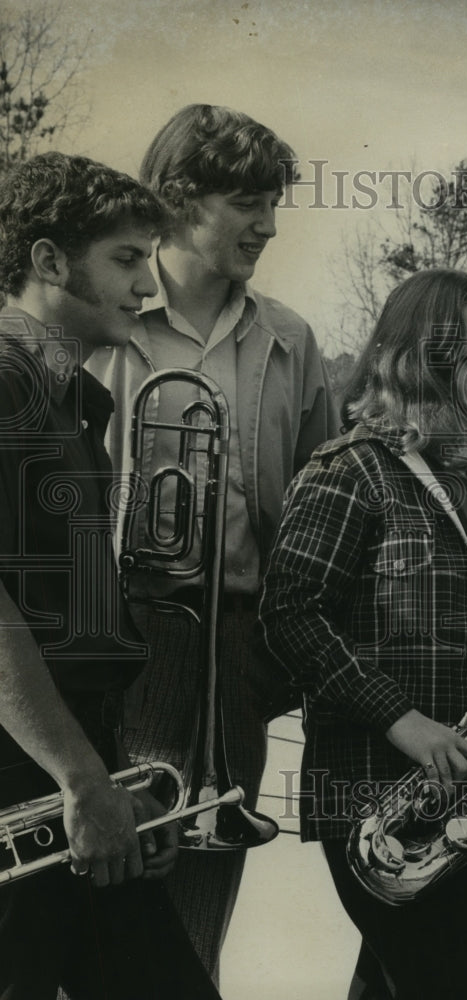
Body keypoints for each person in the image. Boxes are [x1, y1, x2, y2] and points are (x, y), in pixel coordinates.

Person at [259, 268, 467, 1000]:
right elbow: (290, 614)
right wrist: (403, 720)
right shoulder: (351, 470)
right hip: (382, 800)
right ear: (415, 360)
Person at [85, 103, 336, 982]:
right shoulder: (102, 317)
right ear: (181, 197)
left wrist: (273, 657)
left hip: (237, 642)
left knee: (199, 909)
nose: (268, 226)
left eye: (273, 203)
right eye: (246, 203)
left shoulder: (289, 338)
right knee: (107, 895)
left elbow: (314, 512)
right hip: (120, 637)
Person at [0, 152, 220, 998]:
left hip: (74, 781)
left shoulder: (79, 401)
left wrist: (118, 786)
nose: (146, 285)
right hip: (32, 787)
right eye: (126, 259)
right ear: (50, 261)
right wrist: (84, 780)